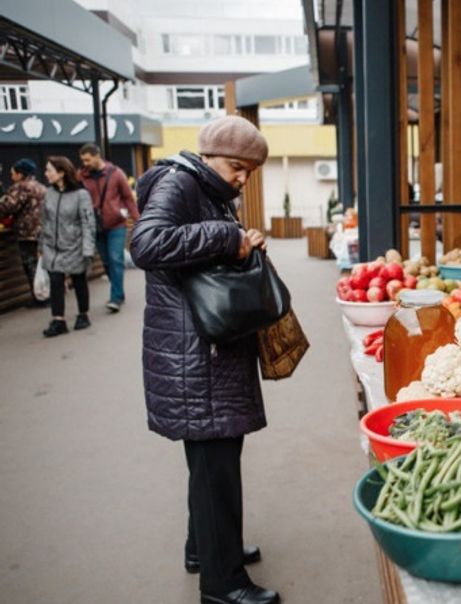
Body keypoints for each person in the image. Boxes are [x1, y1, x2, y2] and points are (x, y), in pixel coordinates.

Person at [130, 116, 278, 604]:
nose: (242, 178)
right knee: (216, 464)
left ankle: (206, 548)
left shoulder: (205, 189)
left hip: (199, 349)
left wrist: (237, 243)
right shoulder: (180, 183)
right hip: (196, 354)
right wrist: (224, 237)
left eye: (250, 172)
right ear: (210, 155)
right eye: (238, 167)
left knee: (211, 461)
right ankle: (223, 584)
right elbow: (146, 244)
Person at [78, 142, 139, 313]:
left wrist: (138, 220)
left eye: (88, 159)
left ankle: (116, 297)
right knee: (106, 261)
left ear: (97, 156)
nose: (85, 163)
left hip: (116, 224)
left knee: (115, 259)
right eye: (83, 160)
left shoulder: (116, 173)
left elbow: (128, 198)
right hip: (94, 226)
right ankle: (118, 290)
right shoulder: (81, 177)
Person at [39, 156, 96, 337]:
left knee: (79, 280)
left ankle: (83, 314)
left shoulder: (81, 194)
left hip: (74, 245)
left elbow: (88, 223)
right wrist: (41, 244)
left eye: (50, 170)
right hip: (52, 246)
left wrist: (87, 249)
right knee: (56, 281)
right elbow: (44, 220)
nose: (46, 174)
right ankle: (58, 320)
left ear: (62, 173)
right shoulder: (49, 193)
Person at [0, 159, 48, 306]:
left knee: (31, 265)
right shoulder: (40, 187)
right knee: (41, 265)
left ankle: (40, 297)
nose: (11, 176)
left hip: (27, 232)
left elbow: (8, 206)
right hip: (43, 232)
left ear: (21, 174)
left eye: (13, 174)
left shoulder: (21, 187)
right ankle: (47, 294)